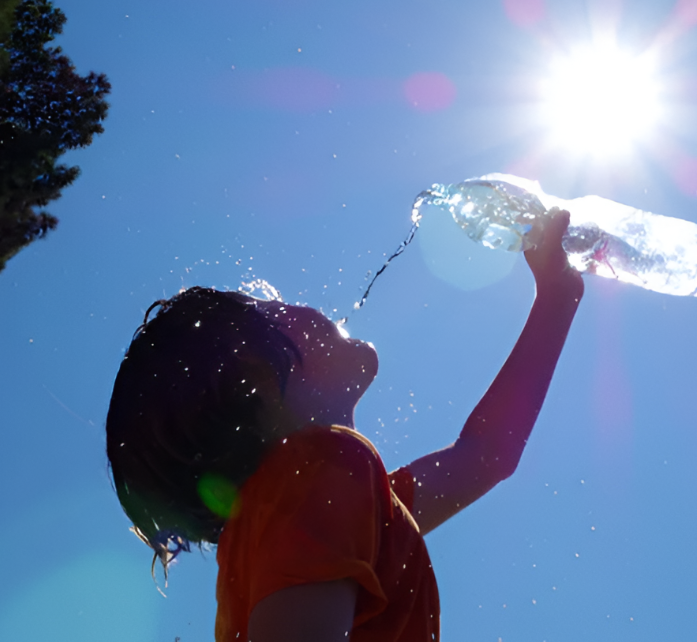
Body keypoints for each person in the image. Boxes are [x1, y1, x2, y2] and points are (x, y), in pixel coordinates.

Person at [105, 210, 584, 641]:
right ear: (259, 379)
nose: (302, 307)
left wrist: (558, 297)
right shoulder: (317, 475)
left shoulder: (318, 503)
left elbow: (486, 454)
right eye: (275, 309)